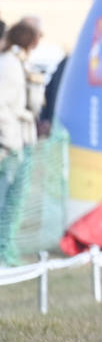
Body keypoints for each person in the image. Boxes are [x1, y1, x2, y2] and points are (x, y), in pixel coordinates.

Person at [0, 21, 41, 222]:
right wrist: (10, 142)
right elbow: (2, 105)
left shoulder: (17, 63)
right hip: (9, 145)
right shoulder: (9, 64)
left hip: (16, 141)